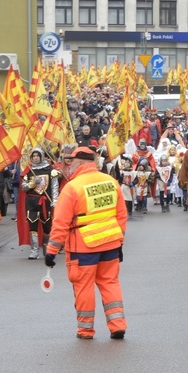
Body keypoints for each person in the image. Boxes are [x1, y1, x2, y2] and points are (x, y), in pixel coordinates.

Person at [44, 146, 128, 340]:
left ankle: (85, 329)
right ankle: (117, 325)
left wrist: (51, 251)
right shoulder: (111, 182)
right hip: (111, 244)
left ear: (80, 163)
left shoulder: (72, 188)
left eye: (71, 163)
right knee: (110, 283)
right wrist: (120, 242)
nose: (68, 167)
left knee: (84, 287)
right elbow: (121, 216)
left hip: (83, 247)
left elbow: (60, 223)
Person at [20, 148, 60, 260]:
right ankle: (34, 251)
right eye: (34, 156)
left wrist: (55, 201)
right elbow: (23, 188)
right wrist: (32, 184)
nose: (35, 158)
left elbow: (54, 187)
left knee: (47, 227)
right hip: (32, 202)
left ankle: (47, 249)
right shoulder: (29, 171)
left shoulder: (50, 170)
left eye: (37, 156)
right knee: (33, 227)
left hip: (45, 202)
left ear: (41, 156)